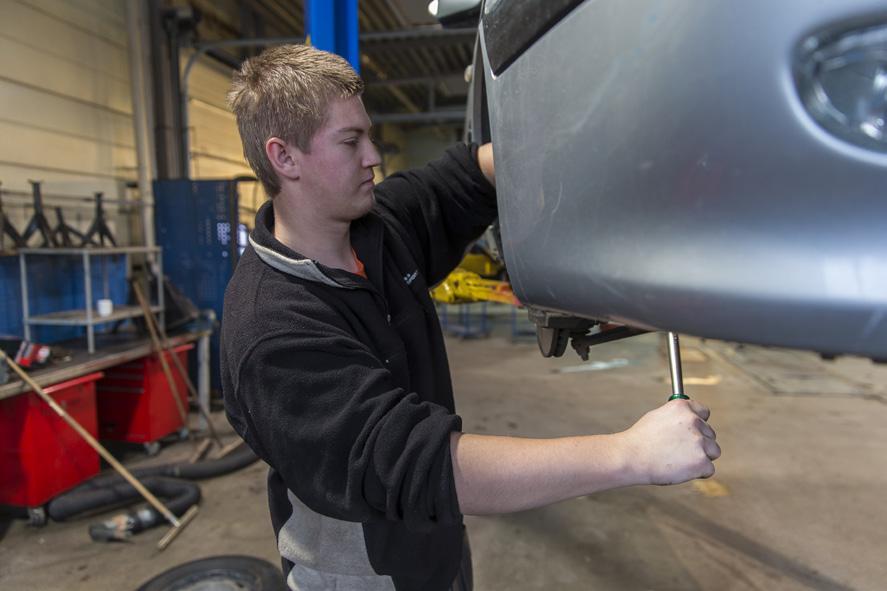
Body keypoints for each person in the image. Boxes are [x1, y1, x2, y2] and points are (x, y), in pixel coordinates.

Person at [221, 44, 720, 591]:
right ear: (284, 157)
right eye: (350, 141)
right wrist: (632, 455)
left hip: (439, 548)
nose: (373, 156)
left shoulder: (377, 227)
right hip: (367, 577)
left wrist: (585, 139)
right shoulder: (271, 329)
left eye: (368, 134)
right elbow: (424, 465)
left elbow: (464, 179)